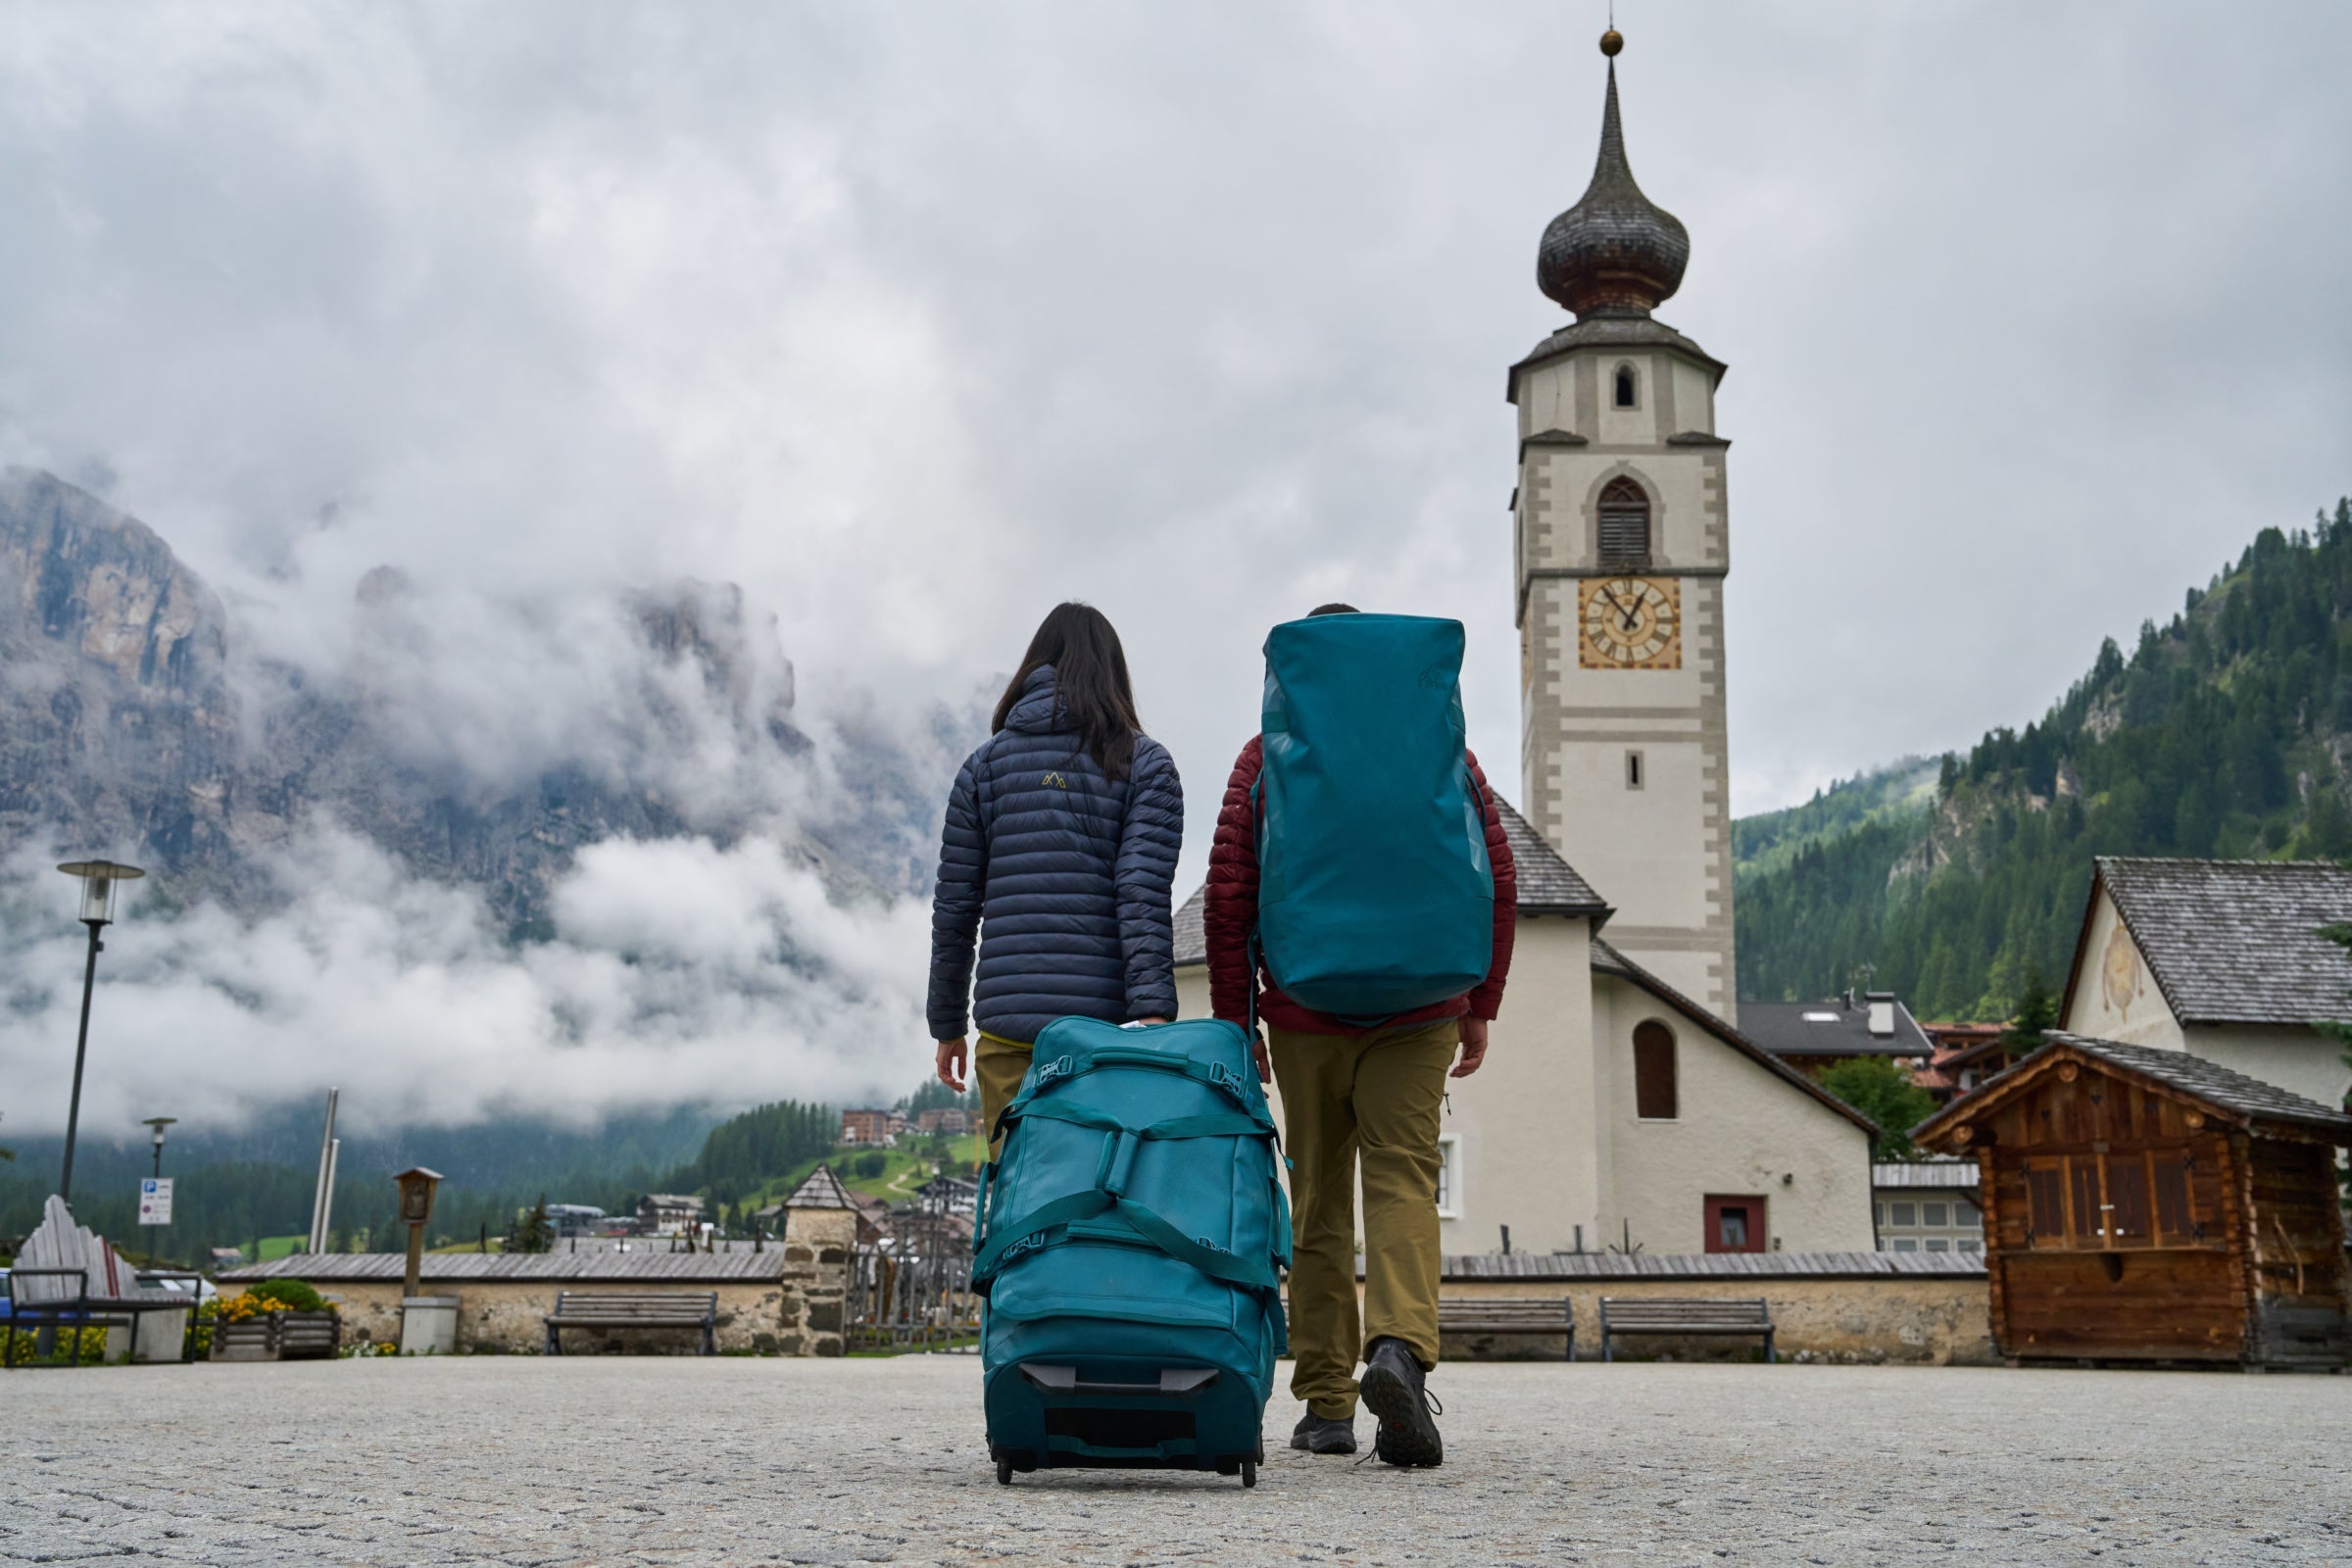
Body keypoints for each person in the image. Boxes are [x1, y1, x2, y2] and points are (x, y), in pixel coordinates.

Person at [1203, 603, 1517, 1468]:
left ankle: (1327, 1408)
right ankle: (1400, 1352)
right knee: (1405, 1181)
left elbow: (1229, 894)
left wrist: (1239, 1023)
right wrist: (1481, 1001)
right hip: (1420, 1010)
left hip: (1306, 1009)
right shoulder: (1444, 754)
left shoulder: (1265, 758)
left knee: (1318, 1205)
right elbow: (1498, 871)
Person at [928, 602, 1184, 1159]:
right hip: (1104, 1034)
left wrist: (947, 1024)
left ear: (1034, 666)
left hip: (1007, 1035)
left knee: (1019, 1206)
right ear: (1114, 674)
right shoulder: (1146, 765)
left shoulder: (982, 769)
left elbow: (954, 910)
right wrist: (1155, 1017)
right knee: (1098, 1206)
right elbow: (1141, 892)